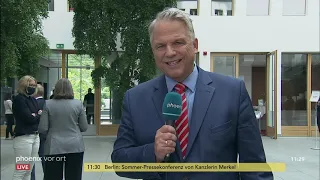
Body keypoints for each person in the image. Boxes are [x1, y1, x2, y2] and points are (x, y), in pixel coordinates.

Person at [111, 8, 273, 180]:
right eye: (160, 46)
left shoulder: (233, 92)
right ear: (153, 52)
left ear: (195, 45)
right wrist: (154, 153)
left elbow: (256, 167)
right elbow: (120, 161)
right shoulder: (135, 98)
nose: (170, 52)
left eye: (178, 43)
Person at [38, 78, 88, 180]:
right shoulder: (78, 104)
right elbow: (84, 127)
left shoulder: (48, 104)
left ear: (55, 89)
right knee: (74, 176)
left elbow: (43, 128)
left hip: (54, 146)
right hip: (75, 145)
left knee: (53, 176)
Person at [12, 75, 41, 180]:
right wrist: (37, 115)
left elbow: (37, 115)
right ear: (23, 85)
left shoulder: (32, 99)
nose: (32, 87)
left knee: (29, 170)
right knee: (21, 170)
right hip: (23, 137)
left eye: (34, 85)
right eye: (30, 85)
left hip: (35, 136)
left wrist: (36, 115)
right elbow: (29, 118)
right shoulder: (19, 99)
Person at [31, 84, 46, 179]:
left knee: (30, 158)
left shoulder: (30, 103)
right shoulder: (47, 103)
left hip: (31, 132)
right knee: (44, 156)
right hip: (44, 133)